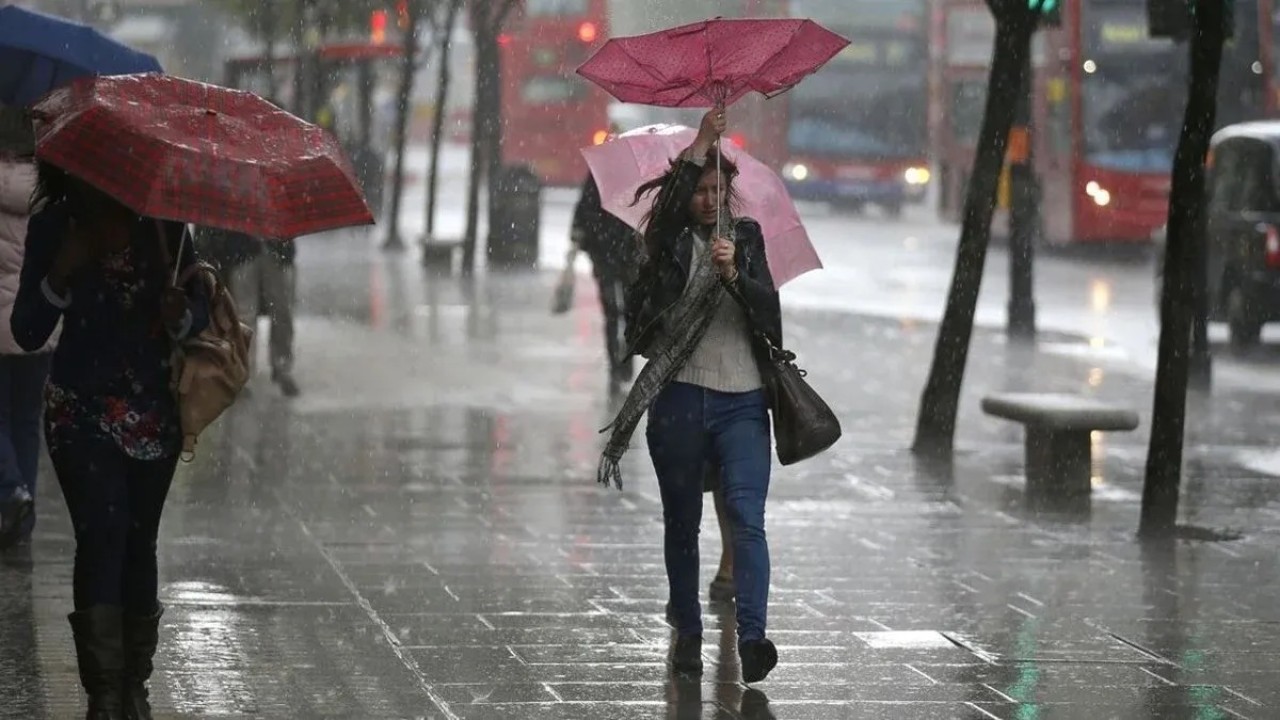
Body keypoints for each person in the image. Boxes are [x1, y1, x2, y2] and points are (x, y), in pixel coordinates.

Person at [12, 161, 210, 720]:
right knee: (101, 535)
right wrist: (60, 274)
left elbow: (198, 314)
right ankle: (103, 692)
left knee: (139, 541)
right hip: (79, 412)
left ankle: (133, 686)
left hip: (152, 412)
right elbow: (26, 329)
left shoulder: (165, 228)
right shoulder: (55, 226)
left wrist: (180, 315)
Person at [598, 107, 781, 683]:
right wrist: (702, 141)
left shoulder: (746, 239)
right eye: (699, 190)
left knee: (747, 518)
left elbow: (771, 318)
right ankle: (688, 632)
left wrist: (736, 277)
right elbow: (670, 214)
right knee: (682, 523)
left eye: (717, 190)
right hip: (679, 399)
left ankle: (753, 637)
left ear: (730, 193)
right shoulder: (668, 240)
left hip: (743, 402)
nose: (707, 199)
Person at [0, 146, 55, 550]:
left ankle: (11, 490)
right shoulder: (50, 186)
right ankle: (23, 517)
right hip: (34, 322)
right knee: (26, 419)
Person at [199, 226, 299, 398]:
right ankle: (245, 373)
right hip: (243, 250)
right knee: (244, 315)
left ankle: (282, 367)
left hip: (275, 248)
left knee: (281, 312)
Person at [570, 166, 637, 387]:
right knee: (617, 311)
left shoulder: (605, 172)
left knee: (621, 312)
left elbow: (584, 208)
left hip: (617, 252)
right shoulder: (616, 173)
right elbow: (585, 207)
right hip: (612, 252)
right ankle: (618, 364)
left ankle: (620, 362)